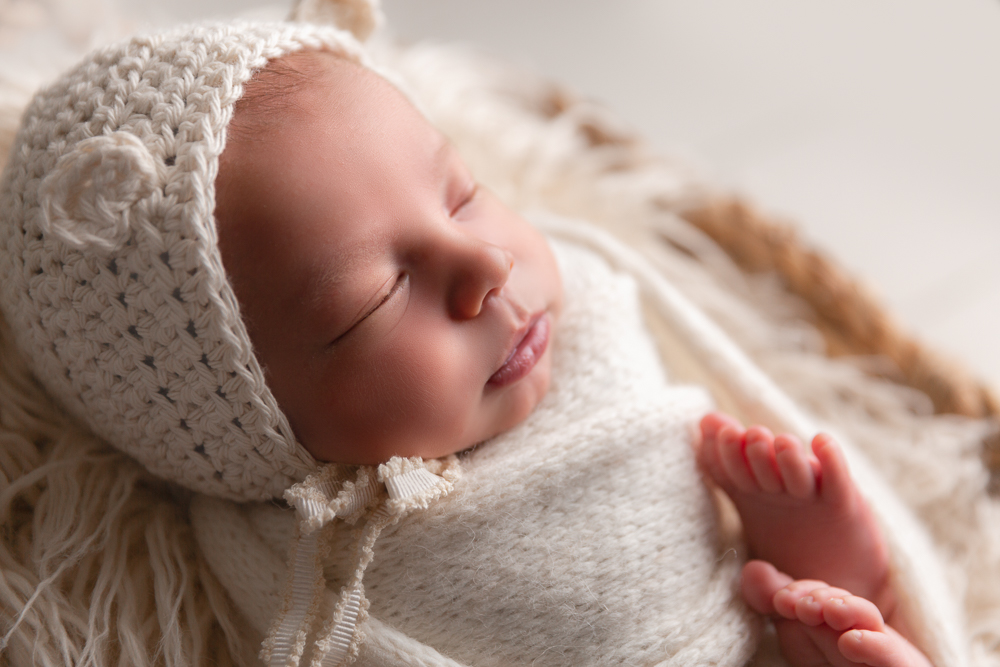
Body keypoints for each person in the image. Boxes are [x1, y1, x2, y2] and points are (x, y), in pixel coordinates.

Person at [0, 18, 943, 667]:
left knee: (844, 623)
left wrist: (825, 565)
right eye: (376, 299)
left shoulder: (602, 322)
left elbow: (721, 561)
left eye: (461, 191)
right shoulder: (312, 579)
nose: (483, 264)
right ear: (254, 432)